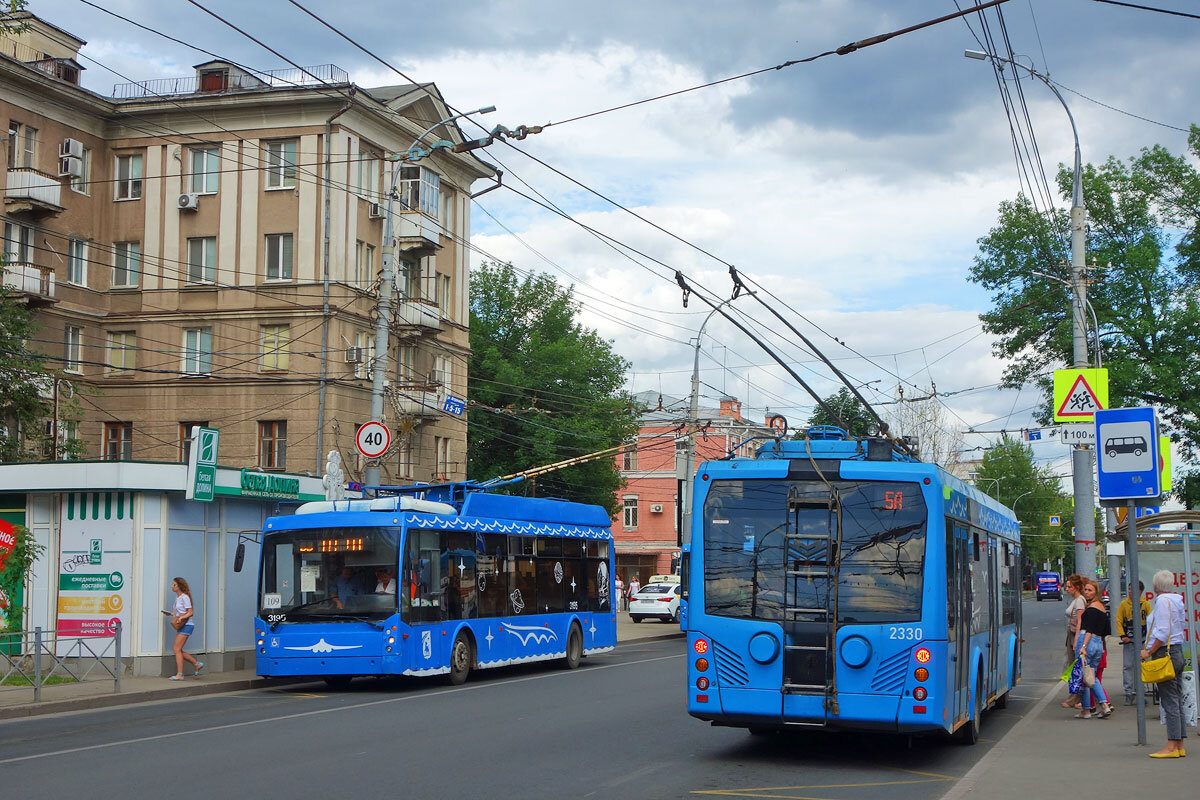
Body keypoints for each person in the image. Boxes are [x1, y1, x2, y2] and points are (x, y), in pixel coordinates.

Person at [1141, 569, 1188, 758]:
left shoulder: (1161, 601)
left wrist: (1148, 651)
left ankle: (1171, 746)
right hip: (1177, 651)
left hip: (1164, 654)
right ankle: (1179, 744)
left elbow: (1162, 631)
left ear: (1156, 585)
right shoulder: (1177, 600)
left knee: (1169, 700)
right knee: (1176, 698)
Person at [1074, 580, 1113, 719]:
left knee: (1084, 676)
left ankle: (1092, 708)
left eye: (1090, 590)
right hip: (1098, 644)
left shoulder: (1091, 609)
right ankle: (1099, 707)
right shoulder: (1102, 608)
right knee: (1092, 676)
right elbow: (1107, 630)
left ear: (1096, 592)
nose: (1086, 592)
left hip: (1087, 641)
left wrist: (1083, 646)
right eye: (1085, 589)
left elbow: (1088, 629)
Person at [1117, 580, 1152, 704]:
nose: (1130, 591)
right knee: (1128, 666)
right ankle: (1128, 692)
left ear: (1140, 591)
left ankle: (1140, 691)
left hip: (1141, 640)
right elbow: (1119, 620)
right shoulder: (1124, 604)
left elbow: (1151, 621)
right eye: (1129, 589)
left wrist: (1148, 639)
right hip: (1129, 640)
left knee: (1141, 666)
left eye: (1133, 589)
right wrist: (1122, 635)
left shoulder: (1145, 604)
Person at [166, 576, 202, 680]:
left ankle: (180, 674)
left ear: (179, 586)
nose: (172, 586)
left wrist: (181, 617)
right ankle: (196, 664)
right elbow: (180, 612)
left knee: (176, 649)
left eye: (174, 585)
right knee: (178, 650)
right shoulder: (178, 598)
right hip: (182, 625)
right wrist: (171, 614)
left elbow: (190, 612)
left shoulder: (185, 597)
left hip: (187, 625)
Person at [1060, 574, 1086, 709]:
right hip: (1071, 634)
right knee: (1073, 667)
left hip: (1075, 635)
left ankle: (1075, 698)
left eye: (1070, 586)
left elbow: (1080, 621)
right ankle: (1075, 697)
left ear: (1076, 587)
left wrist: (1076, 640)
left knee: (1075, 668)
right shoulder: (1076, 599)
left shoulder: (1080, 600)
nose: (1067, 588)